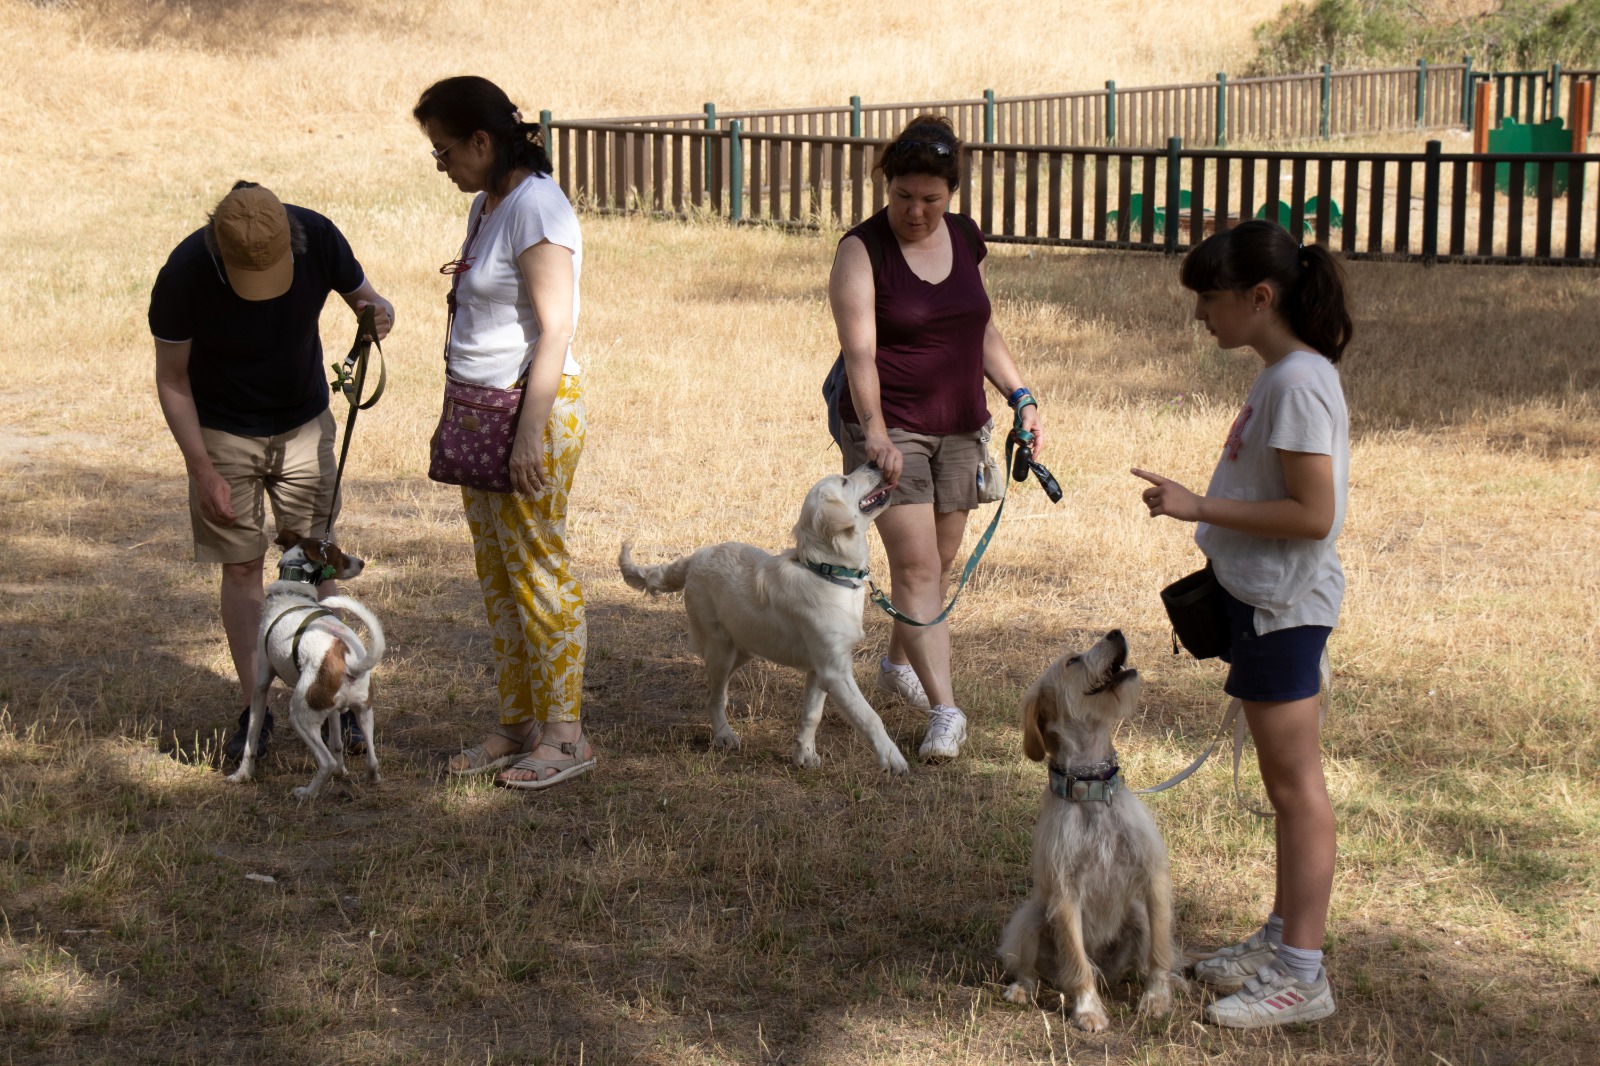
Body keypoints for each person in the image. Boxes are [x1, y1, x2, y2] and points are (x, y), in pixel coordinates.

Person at [1132, 218, 1352, 1028]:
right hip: (1263, 605)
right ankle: (1279, 940)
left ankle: (1302, 972)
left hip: (1283, 612)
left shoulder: (1296, 382)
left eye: (1210, 300)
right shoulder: (1284, 374)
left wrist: (1199, 504)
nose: (1200, 316)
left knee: (1297, 791)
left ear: (1260, 298)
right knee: (1283, 786)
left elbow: (1312, 513)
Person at [150, 181, 394, 763]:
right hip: (223, 431)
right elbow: (172, 380)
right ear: (218, 247)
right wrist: (203, 468)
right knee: (240, 567)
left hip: (304, 421)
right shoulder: (184, 273)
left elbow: (370, 300)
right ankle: (253, 709)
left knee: (317, 554)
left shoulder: (318, 236)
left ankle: (335, 696)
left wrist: (375, 318)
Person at [828, 115, 1043, 761]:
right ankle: (947, 711)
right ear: (884, 184)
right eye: (902, 197)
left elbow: (976, 325)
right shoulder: (859, 251)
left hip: (960, 420)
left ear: (951, 194)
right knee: (918, 567)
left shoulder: (963, 239)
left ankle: (898, 664)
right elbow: (859, 354)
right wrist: (875, 435)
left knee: (938, 559)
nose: (915, 212)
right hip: (889, 426)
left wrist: (1020, 394)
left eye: (930, 199)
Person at [414, 76, 595, 790]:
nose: (443, 166)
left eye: (445, 151)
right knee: (500, 578)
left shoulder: (537, 209)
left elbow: (556, 328)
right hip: (482, 413)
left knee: (539, 575)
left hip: (529, 415)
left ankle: (566, 736)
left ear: (483, 142)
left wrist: (529, 436)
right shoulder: (491, 205)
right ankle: (517, 723)